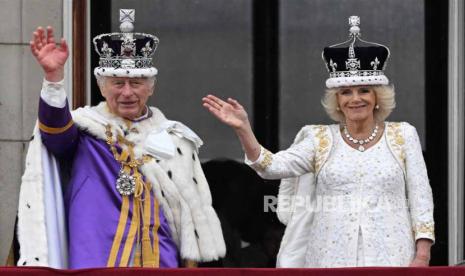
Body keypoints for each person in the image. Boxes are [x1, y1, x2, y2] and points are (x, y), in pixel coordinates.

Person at [202, 16, 434, 267]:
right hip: (330, 258)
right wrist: (243, 129)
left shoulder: (403, 135)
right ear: (337, 101)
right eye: (346, 92)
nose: (355, 99)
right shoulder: (319, 139)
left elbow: (421, 197)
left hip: (392, 256)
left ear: (377, 97)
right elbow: (271, 167)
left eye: (364, 90)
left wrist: (422, 254)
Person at [17, 9, 225, 269]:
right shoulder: (84, 131)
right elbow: (54, 132)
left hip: (160, 261)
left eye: (136, 83)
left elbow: (190, 217)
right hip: (96, 261)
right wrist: (53, 80)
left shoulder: (175, 140)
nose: (127, 92)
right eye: (117, 83)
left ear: (151, 88)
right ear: (102, 87)